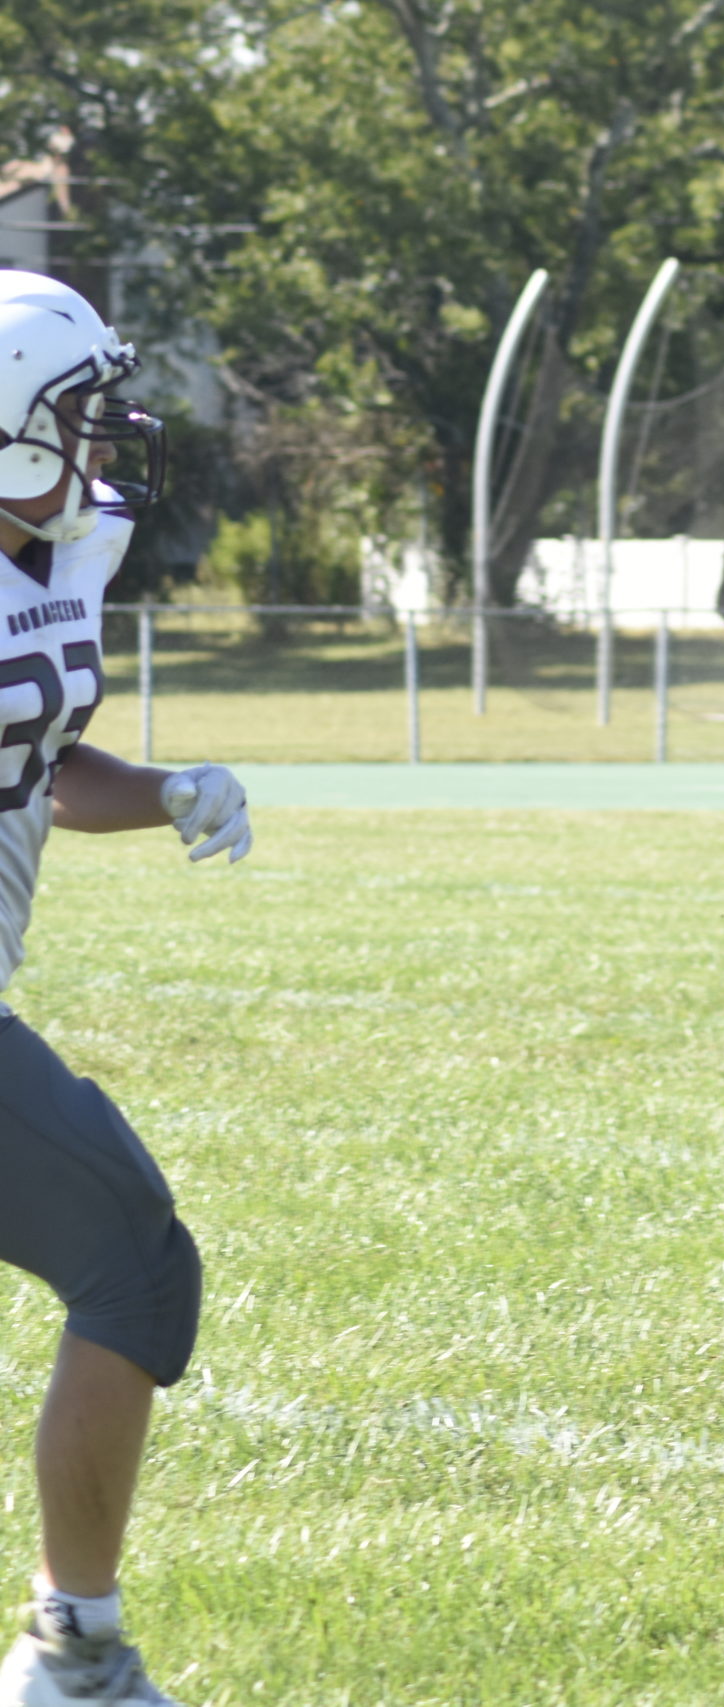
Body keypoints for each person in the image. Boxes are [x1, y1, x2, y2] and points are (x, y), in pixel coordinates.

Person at [0, 271, 253, 1707]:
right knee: (134, 1257)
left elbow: (31, 756)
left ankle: (72, 1647)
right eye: (74, 415)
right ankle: (72, 1652)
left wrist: (164, 788)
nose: (102, 445)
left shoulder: (65, 546)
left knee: (132, 1258)